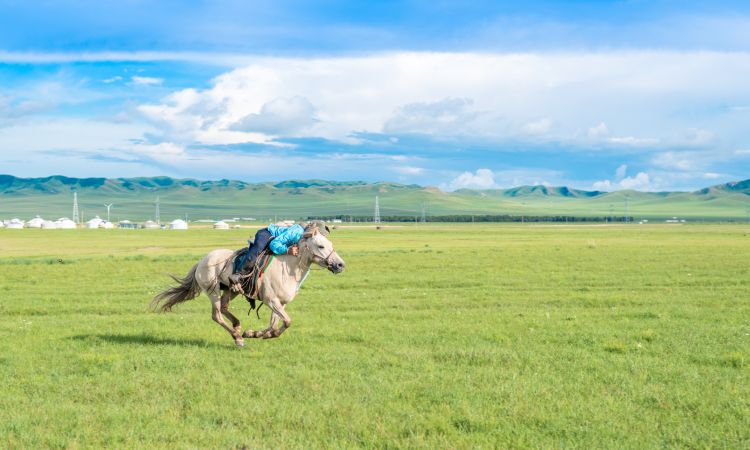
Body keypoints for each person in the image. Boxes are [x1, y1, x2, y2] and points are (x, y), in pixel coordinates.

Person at [229, 222, 305, 286]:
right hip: (267, 234)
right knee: (257, 250)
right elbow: (274, 244)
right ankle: (238, 274)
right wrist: (287, 250)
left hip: (279, 241)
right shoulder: (296, 232)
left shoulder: (307, 242)